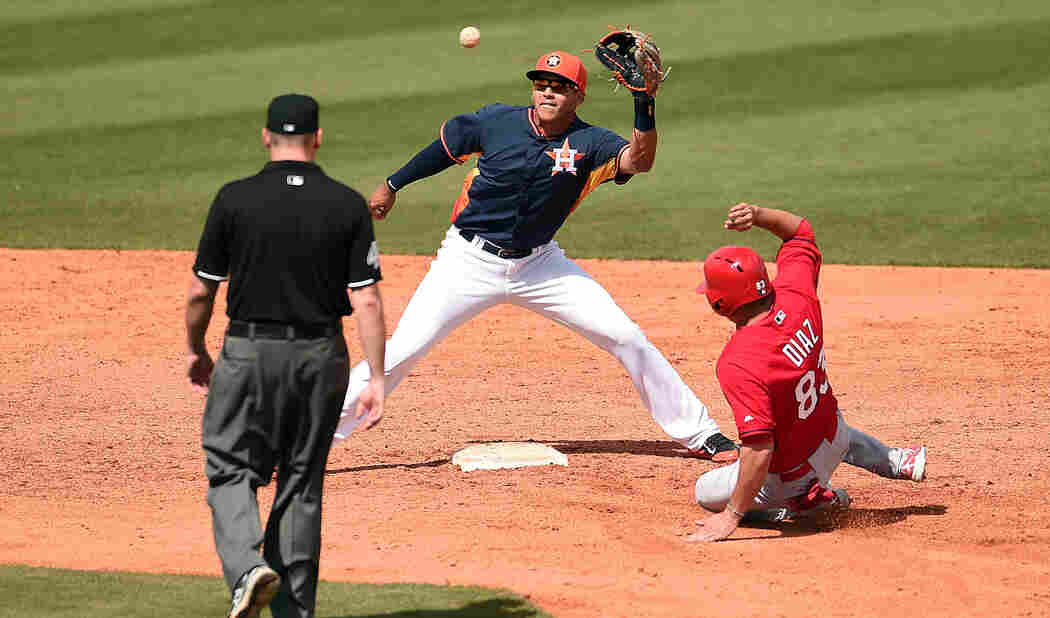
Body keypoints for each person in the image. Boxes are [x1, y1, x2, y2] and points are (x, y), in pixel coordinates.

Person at [333, 50, 738, 461]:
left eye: (560, 87)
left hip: (540, 265)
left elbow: (640, 160)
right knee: (400, 351)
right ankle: (306, 441)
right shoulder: (497, 122)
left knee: (626, 336)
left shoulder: (591, 143)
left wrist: (643, 103)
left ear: (578, 97)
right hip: (467, 262)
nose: (548, 93)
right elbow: (443, 147)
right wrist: (392, 184)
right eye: (541, 84)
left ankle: (701, 433)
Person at [184, 93, 387, 617]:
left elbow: (201, 293)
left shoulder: (234, 199)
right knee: (301, 480)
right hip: (322, 355)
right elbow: (366, 296)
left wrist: (197, 349)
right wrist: (379, 377)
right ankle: (294, 613)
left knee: (231, 467)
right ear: (317, 138)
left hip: (248, 352)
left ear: (266, 136)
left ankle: (247, 569)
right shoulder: (346, 204)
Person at [685, 202, 926, 543]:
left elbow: (759, 450)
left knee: (705, 492)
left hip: (796, 475)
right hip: (834, 433)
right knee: (821, 420)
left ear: (719, 304)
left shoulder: (738, 362)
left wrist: (731, 516)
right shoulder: (796, 292)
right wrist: (757, 215)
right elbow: (800, 231)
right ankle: (894, 460)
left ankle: (805, 504)